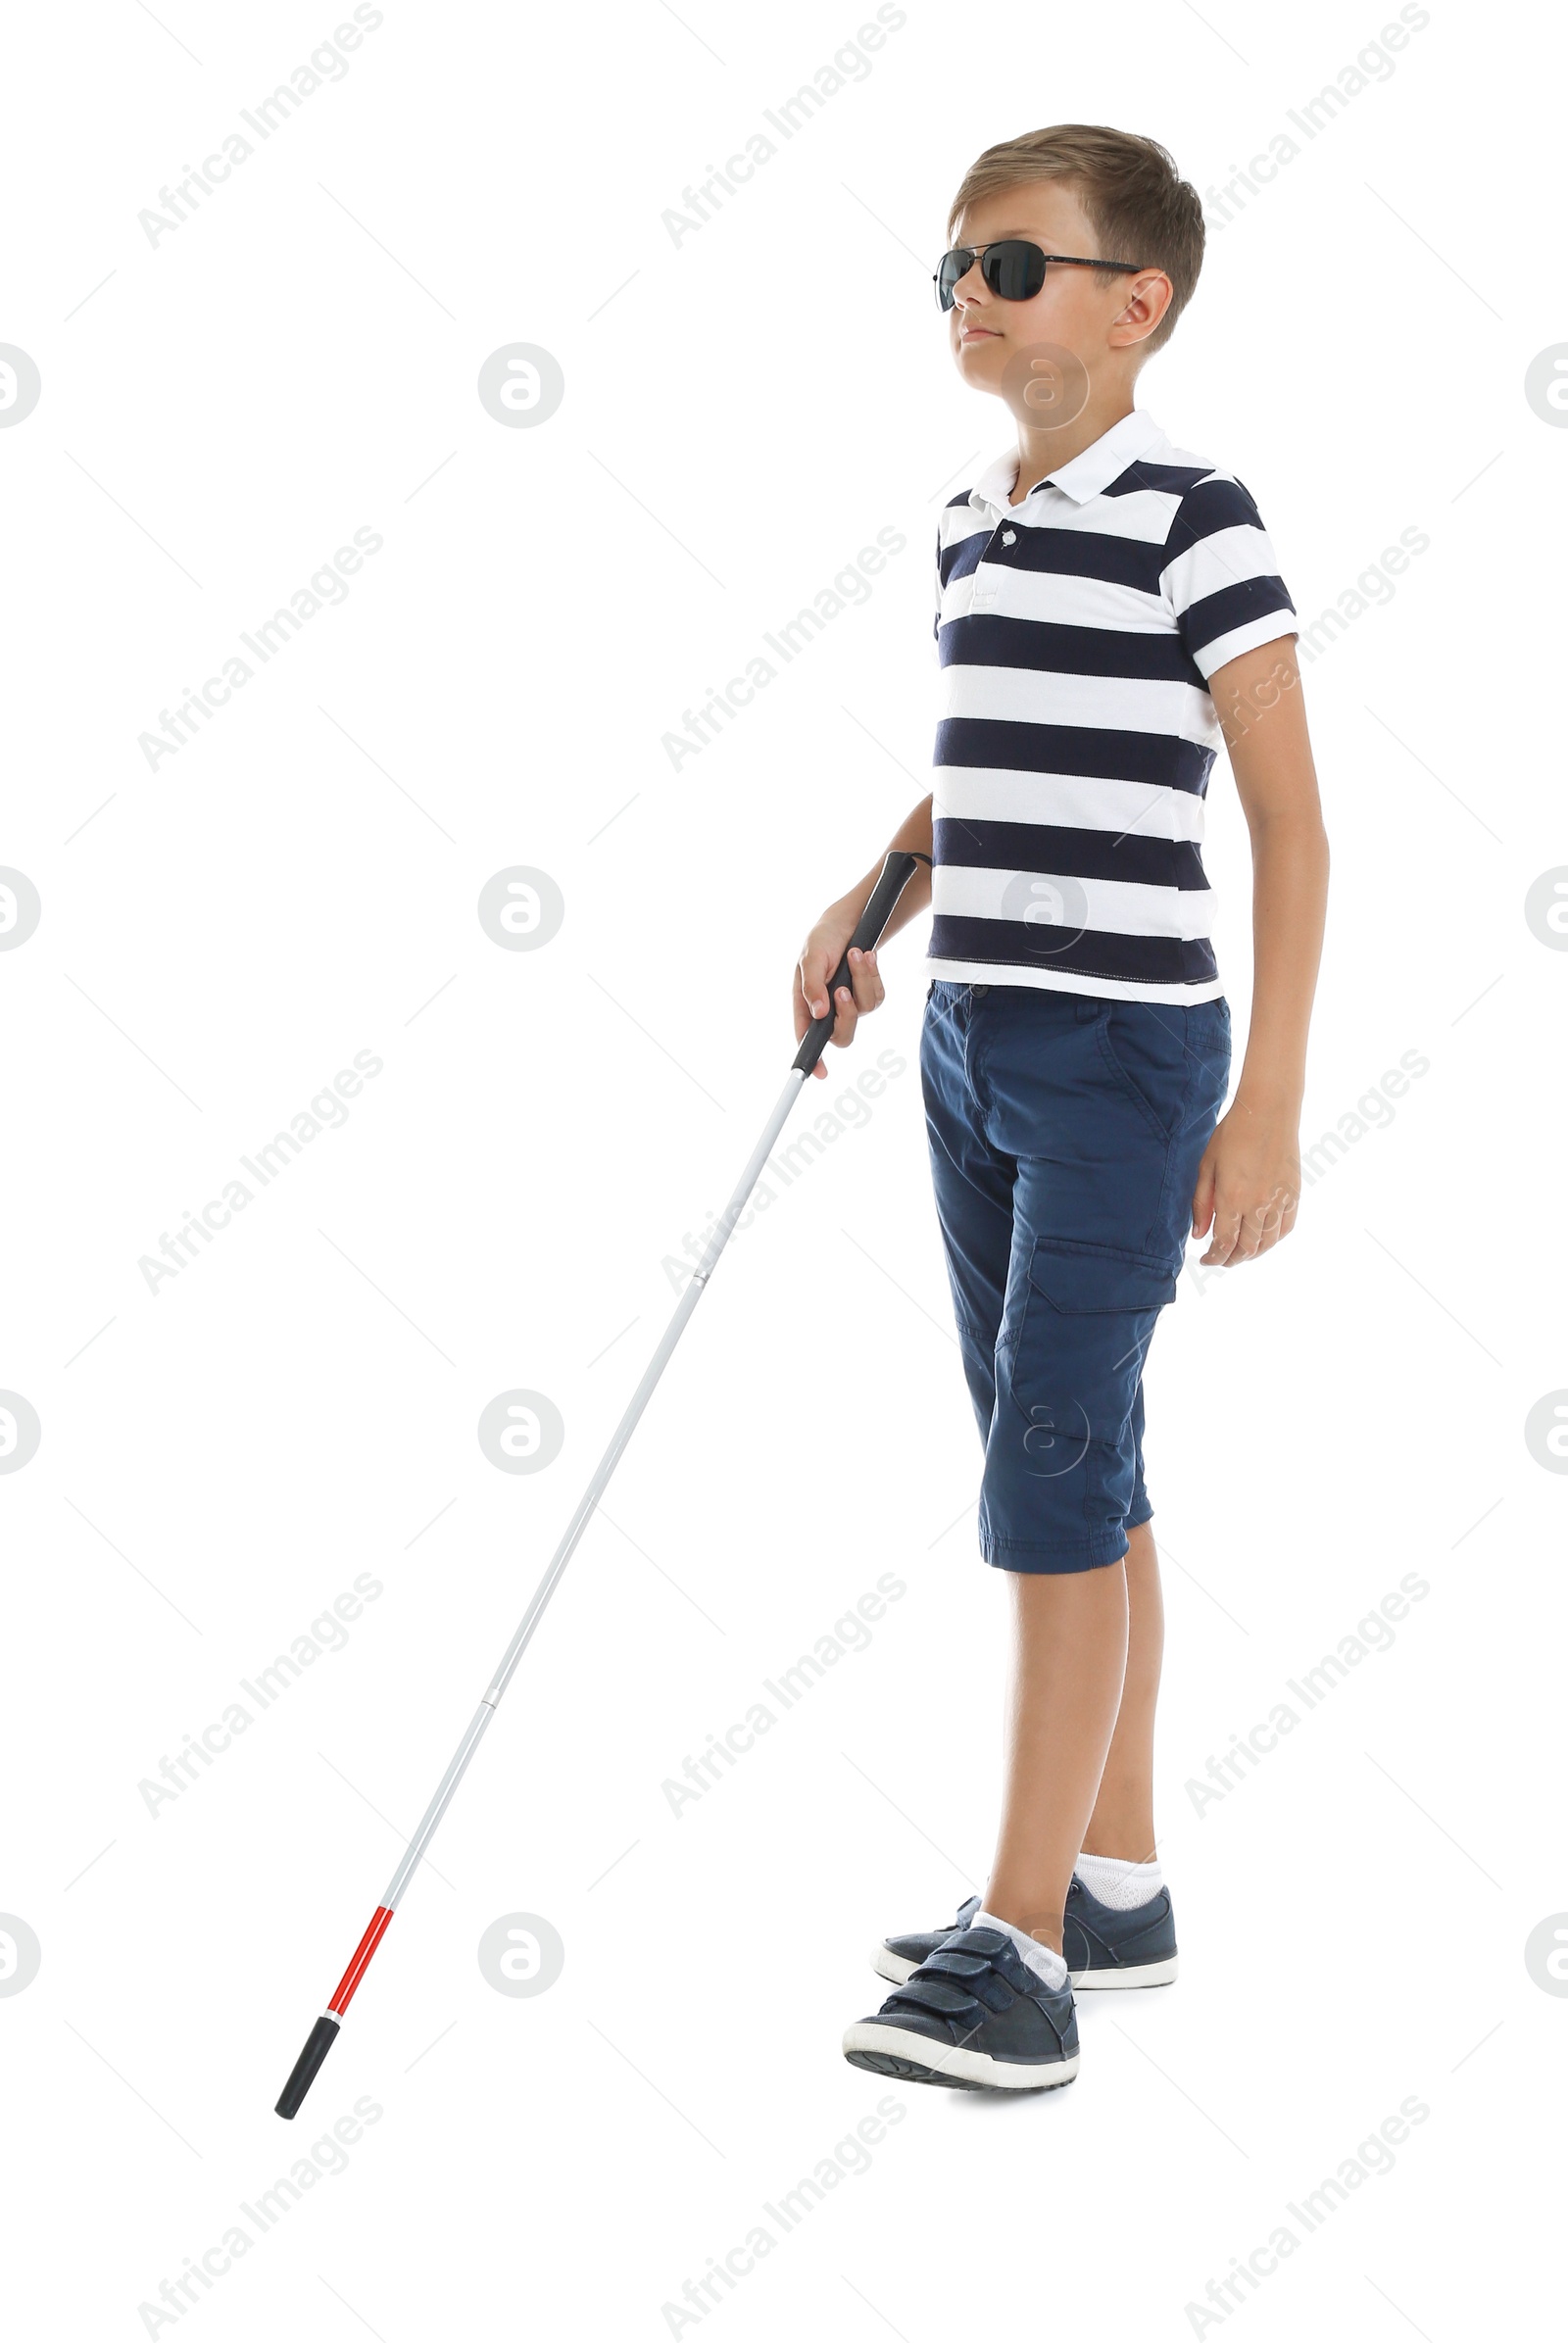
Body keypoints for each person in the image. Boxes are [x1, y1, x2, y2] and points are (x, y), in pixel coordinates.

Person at [794, 124, 1329, 2092]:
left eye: (1008, 265)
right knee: (1069, 1459)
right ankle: (1112, 1876)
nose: (966, 298)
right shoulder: (964, 518)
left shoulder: (1195, 513)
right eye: (946, 269)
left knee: (1045, 1473)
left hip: (1120, 1055)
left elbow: (1285, 819)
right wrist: (871, 900)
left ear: (1134, 301)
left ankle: (1013, 1944)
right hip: (966, 1036)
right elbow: (984, 777)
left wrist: (1261, 1102)